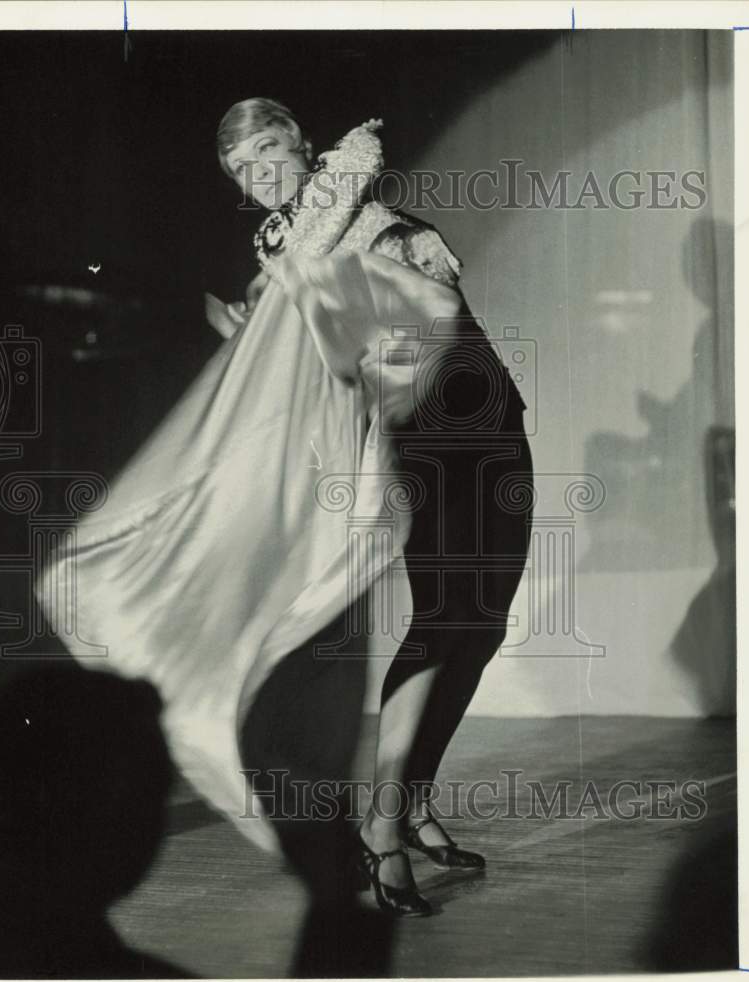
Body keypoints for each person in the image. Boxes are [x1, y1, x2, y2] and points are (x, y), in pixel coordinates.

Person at [37, 98, 532, 921]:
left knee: (483, 623)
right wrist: (343, 179)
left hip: (483, 412)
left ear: (298, 141)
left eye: (270, 150)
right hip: (413, 431)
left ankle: (407, 803)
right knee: (445, 620)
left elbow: (430, 304)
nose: (261, 175)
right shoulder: (281, 243)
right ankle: (382, 829)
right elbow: (314, 300)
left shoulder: (356, 224)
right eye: (242, 169)